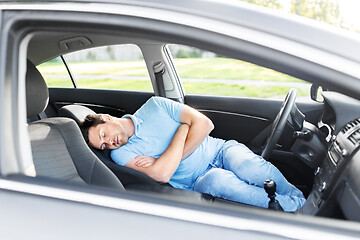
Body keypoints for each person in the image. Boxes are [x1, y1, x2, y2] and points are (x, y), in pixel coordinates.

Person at [79, 96, 305, 211]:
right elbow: (162, 175)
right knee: (219, 180)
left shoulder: (155, 105)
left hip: (219, 150)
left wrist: (166, 158)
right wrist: (182, 129)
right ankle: (296, 210)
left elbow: (205, 124)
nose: (109, 143)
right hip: (198, 181)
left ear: (106, 118)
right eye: (104, 146)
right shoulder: (120, 155)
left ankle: (301, 199)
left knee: (246, 163)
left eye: (103, 135)